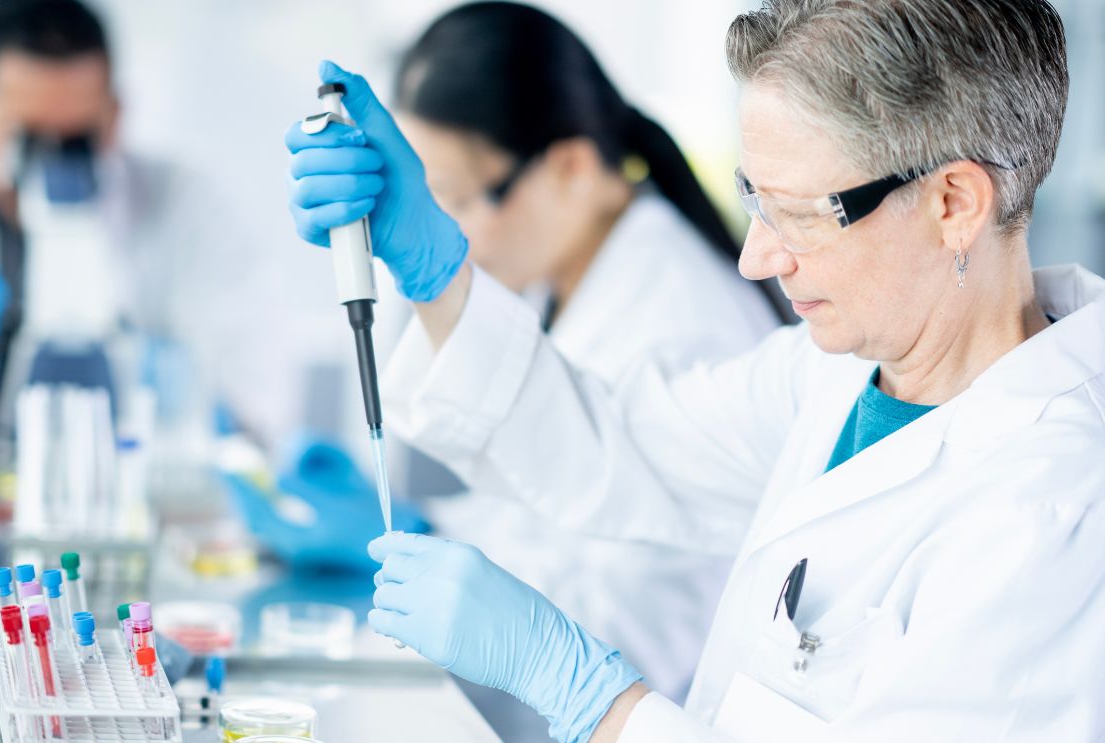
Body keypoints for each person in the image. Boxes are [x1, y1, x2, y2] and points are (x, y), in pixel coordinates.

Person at [284, 0, 1105, 740]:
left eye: (794, 214)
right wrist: (434, 265)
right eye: (754, 199)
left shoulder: (1051, 514)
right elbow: (615, 444)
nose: (753, 258)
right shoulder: (826, 374)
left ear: (953, 203)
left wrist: (584, 693)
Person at [271, 3, 779, 726]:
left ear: (569, 166)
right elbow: (554, 475)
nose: (443, 226)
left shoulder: (680, 317)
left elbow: (646, 629)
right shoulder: (561, 269)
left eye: (453, 199)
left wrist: (440, 563)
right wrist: (421, 529)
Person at [0, 0, 281, 442]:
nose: (53, 161)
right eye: (28, 140)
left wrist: (187, 391)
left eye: (78, 141)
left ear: (114, 116)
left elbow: (254, 411)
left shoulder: (187, 207)